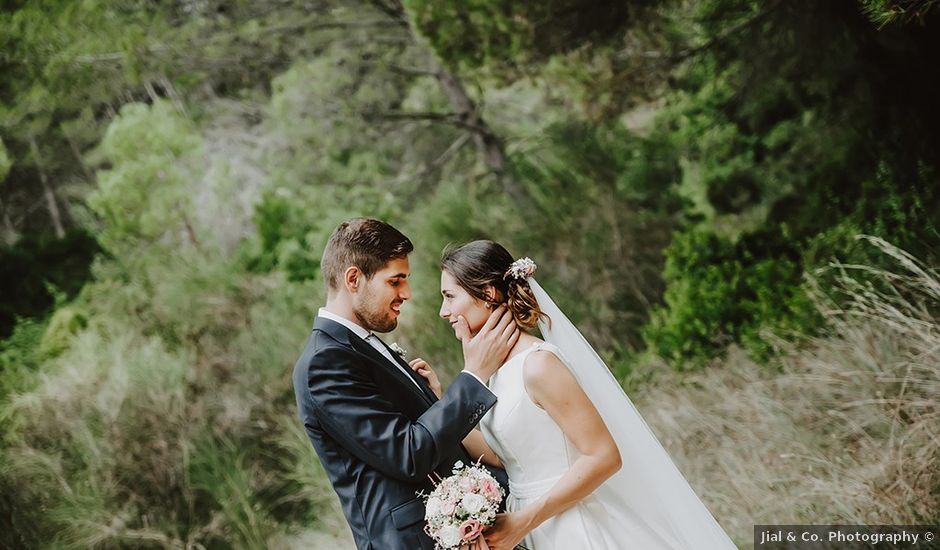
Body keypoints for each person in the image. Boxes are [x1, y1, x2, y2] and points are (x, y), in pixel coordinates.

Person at [417, 240, 737, 550]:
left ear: (487, 294)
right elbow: (507, 456)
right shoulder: (495, 372)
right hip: (531, 526)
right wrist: (440, 402)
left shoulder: (539, 364)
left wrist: (525, 521)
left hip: (575, 524)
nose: (444, 311)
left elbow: (604, 456)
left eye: (449, 296)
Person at [292, 219, 519, 550]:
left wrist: (436, 400)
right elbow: (409, 454)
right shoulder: (322, 364)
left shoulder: (364, 342)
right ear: (353, 279)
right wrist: (473, 375)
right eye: (395, 282)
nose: (407, 294)